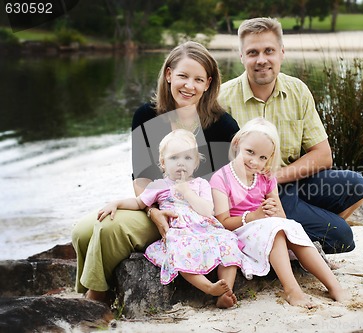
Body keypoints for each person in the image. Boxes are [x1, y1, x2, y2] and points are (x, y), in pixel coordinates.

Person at [71, 41, 239, 305]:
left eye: (198, 79)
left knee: (108, 231)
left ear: (208, 84)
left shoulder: (223, 126)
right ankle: (94, 289)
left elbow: (227, 185)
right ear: (169, 74)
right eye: (183, 76)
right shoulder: (146, 116)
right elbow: (141, 178)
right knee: (81, 231)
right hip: (157, 203)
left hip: (193, 219)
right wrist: (152, 211)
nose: (189, 85)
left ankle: (98, 299)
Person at [218, 17, 363, 255]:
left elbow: (322, 156)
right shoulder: (222, 99)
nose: (261, 60)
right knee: (341, 236)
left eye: (269, 51)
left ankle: (295, 238)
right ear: (241, 57)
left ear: (281, 53)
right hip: (250, 192)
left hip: (291, 180)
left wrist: (276, 177)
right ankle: (297, 237)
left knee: (356, 185)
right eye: (252, 52)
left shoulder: (297, 90)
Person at [210, 118, 349, 308]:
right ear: (237, 143)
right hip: (238, 231)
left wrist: (273, 212)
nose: (254, 161)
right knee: (275, 230)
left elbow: (281, 216)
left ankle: (334, 286)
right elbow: (222, 222)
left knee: (291, 227)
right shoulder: (221, 178)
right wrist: (252, 216)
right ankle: (292, 290)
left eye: (263, 158)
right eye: (249, 152)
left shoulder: (265, 177)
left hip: (265, 227)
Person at [97, 129, 243, 308]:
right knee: (178, 250)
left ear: (196, 163)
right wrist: (117, 203)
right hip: (179, 232)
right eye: (174, 158)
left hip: (204, 228)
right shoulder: (158, 186)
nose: (181, 163)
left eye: (187, 158)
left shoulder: (201, 184)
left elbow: (207, 210)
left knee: (228, 240)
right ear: (163, 163)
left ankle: (226, 291)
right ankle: (210, 288)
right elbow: (138, 203)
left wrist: (187, 192)